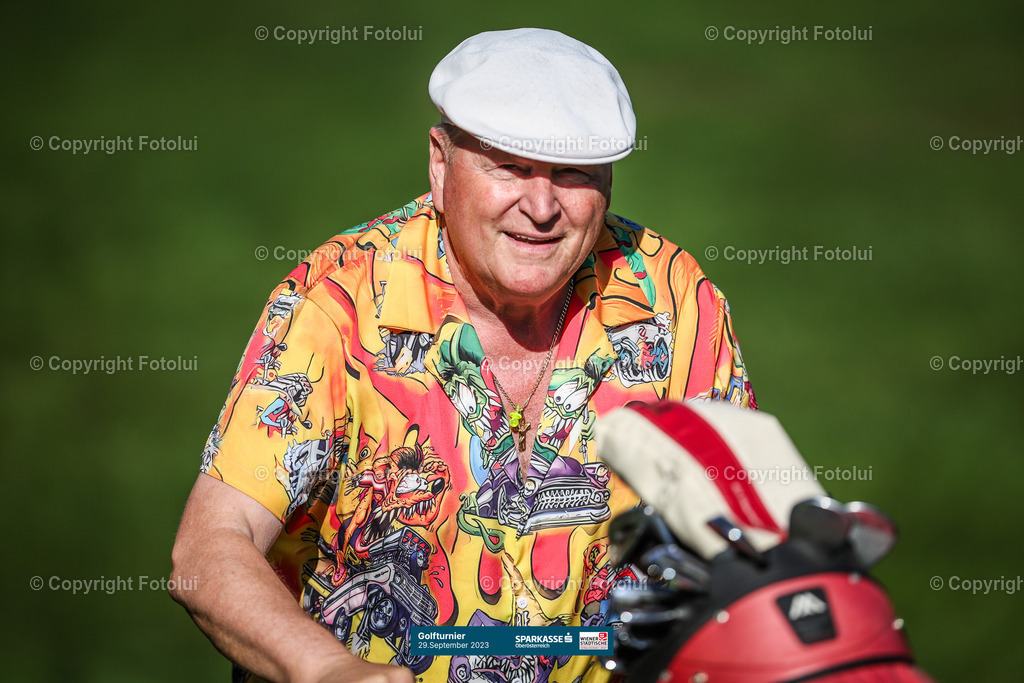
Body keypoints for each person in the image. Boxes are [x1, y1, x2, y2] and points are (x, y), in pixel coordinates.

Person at [169, 27, 755, 683]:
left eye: (573, 174)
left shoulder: (675, 301)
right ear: (440, 162)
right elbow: (209, 547)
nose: (542, 206)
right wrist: (330, 670)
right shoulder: (338, 302)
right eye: (509, 165)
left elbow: (746, 539)